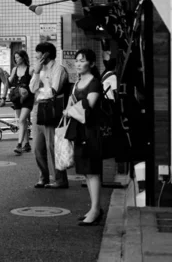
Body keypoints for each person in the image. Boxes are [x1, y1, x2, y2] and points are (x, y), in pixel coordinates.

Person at [63, 49, 104, 226]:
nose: (78, 63)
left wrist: (70, 110)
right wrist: (70, 109)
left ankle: (95, 210)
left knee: (93, 171)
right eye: (77, 60)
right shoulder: (78, 82)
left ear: (92, 64)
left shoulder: (95, 83)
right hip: (80, 132)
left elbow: (89, 106)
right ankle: (94, 208)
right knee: (86, 172)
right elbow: (71, 104)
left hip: (92, 132)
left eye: (82, 61)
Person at [29, 42, 69, 189]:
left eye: (38, 52)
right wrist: (36, 72)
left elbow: (54, 91)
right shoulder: (40, 70)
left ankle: (60, 179)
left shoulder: (58, 69)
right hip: (38, 108)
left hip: (51, 110)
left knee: (52, 146)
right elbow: (33, 89)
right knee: (37, 148)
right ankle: (43, 177)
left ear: (45, 54)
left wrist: (42, 91)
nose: (36, 55)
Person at [8, 50, 34, 155]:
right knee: (22, 121)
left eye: (18, 57)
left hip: (28, 98)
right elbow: (9, 82)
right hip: (17, 98)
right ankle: (27, 144)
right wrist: (7, 77)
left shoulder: (30, 70)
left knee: (22, 120)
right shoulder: (15, 69)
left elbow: (35, 83)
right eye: (15, 57)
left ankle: (19, 145)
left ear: (23, 58)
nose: (16, 59)